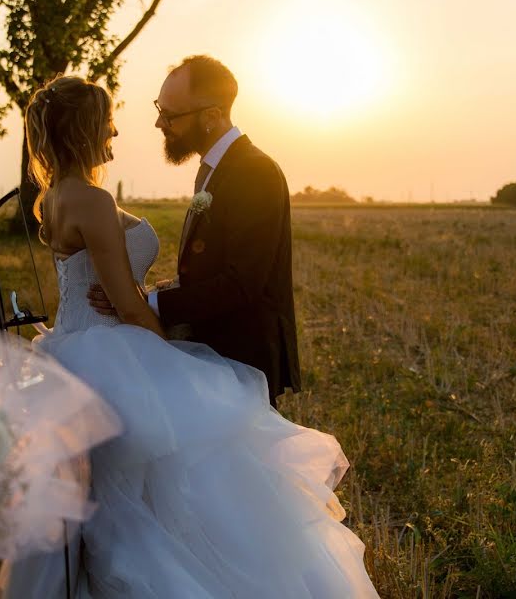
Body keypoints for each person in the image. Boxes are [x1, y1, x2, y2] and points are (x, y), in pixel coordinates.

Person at [26, 74, 379, 598]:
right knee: (181, 489)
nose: (122, 130)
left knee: (124, 494)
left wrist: (155, 297)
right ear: (84, 131)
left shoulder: (49, 200)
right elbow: (125, 301)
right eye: (108, 122)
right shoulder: (95, 201)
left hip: (75, 345)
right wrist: (167, 357)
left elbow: (236, 276)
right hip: (115, 347)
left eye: (168, 113)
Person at [88, 55, 300, 407]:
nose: (159, 122)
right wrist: (165, 288)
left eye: (170, 114)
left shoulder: (255, 172)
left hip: (244, 358)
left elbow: (242, 283)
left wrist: (148, 303)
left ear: (212, 116)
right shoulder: (213, 169)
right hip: (216, 353)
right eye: (159, 109)